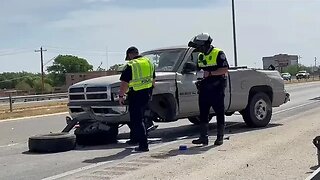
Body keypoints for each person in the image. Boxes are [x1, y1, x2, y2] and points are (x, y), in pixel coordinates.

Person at [188, 33, 229, 146]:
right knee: (203, 114)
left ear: (205, 44)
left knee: (219, 112)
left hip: (217, 88)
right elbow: (199, 70)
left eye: (199, 46)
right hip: (204, 88)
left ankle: (219, 137)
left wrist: (210, 73)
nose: (198, 48)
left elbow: (224, 69)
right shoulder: (201, 55)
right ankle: (203, 137)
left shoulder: (218, 53)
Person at [118, 46, 155, 152]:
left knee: (137, 121)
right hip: (146, 94)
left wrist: (121, 96)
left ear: (130, 55)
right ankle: (135, 139)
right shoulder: (149, 62)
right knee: (141, 119)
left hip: (136, 95)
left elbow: (124, 83)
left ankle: (143, 145)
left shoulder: (131, 65)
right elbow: (153, 80)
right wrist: (150, 93)